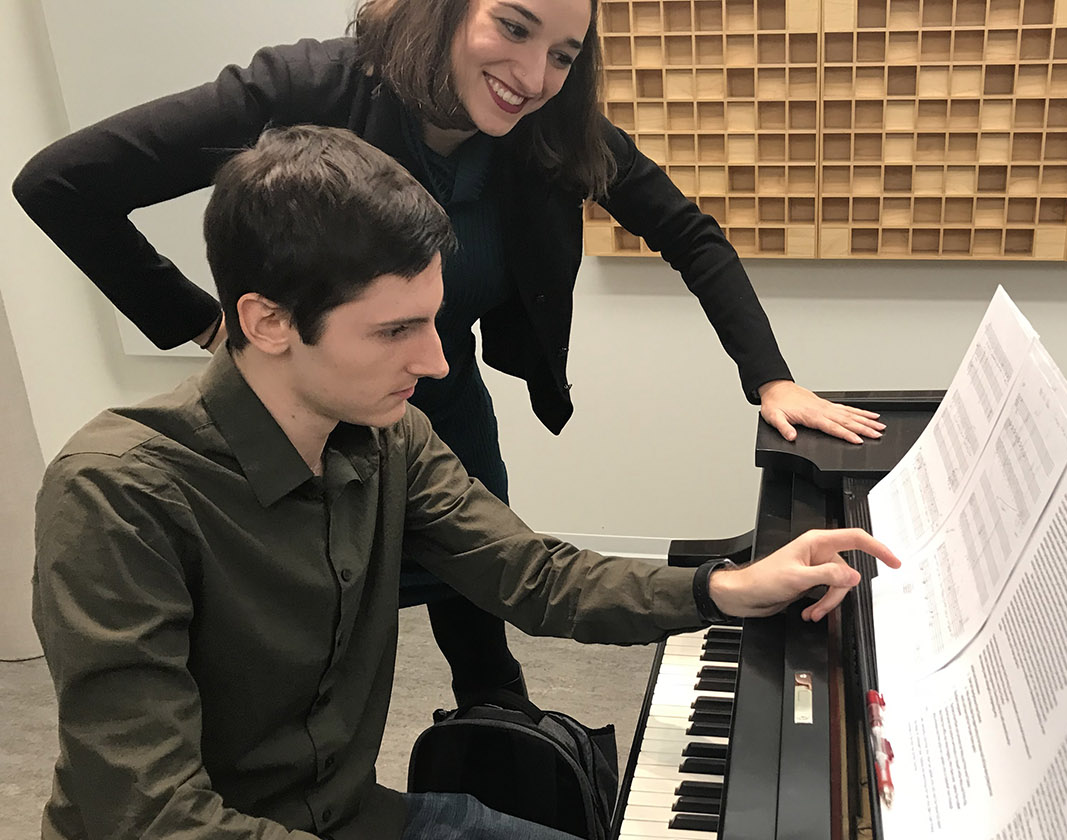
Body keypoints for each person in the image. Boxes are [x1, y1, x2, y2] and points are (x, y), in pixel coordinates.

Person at [31, 124, 899, 840]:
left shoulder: (391, 436)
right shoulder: (118, 495)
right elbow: (148, 815)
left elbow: (532, 573)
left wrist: (726, 586)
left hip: (351, 817)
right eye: (395, 330)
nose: (438, 359)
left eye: (434, 321)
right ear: (267, 321)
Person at [13, 0, 887, 707]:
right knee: (298, 633)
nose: (536, 75)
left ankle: (497, 733)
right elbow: (60, 183)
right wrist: (204, 321)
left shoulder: (549, 134)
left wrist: (769, 378)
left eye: (564, 54)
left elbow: (690, 236)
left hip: (444, 398)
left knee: (486, 595)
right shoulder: (305, 86)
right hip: (302, 411)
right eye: (513, 27)